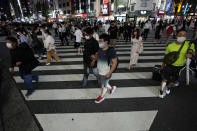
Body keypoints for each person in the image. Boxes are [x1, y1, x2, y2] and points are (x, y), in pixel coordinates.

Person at [159, 29, 196, 98]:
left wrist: (191, 55)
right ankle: (161, 91)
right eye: (180, 35)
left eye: (184, 35)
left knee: (175, 82)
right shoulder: (170, 46)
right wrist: (163, 65)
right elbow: (166, 57)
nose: (182, 37)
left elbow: (194, 54)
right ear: (176, 36)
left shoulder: (190, 45)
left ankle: (168, 86)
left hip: (181, 67)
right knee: (164, 79)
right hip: (169, 65)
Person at [95, 34, 118, 103]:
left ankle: (101, 97)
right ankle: (112, 88)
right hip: (99, 71)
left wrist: (109, 73)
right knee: (103, 83)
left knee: (103, 86)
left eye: (101, 41)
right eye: (99, 41)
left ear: (106, 42)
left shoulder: (111, 51)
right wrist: (95, 57)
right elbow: (98, 58)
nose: (99, 42)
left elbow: (115, 63)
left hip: (106, 72)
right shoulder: (99, 49)